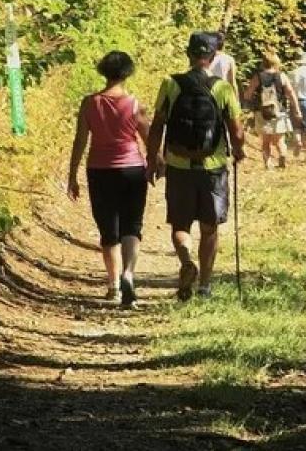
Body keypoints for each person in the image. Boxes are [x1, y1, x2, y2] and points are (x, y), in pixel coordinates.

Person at [146, 32, 246, 300]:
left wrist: (152, 159)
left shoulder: (170, 84)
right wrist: (239, 151)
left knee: (180, 225)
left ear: (188, 54)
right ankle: (204, 285)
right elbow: (236, 130)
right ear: (213, 57)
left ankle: (187, 260)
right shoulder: (222, 88)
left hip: (178, 165)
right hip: (212, 167)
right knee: (209, 227)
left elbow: (156, 126)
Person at [67, 51, 151, 308]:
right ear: (128, 72)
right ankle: (129, 274)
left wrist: (72, 174)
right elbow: (149, 138)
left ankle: (113, 284)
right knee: (132, 226)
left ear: (103, 71)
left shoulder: (90, 103)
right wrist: (157, 163)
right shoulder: (135, 104)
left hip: (99, 170)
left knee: (108, 229)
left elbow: (81, 140)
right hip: (132, 169)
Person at [243, 52, 302, 169]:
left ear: (263, 63)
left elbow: (247, 95)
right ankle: (282, 155)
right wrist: (297, 109)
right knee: (280, 140)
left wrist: (248, 100)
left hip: (262, 112)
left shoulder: (258, 77)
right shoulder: (281, 76)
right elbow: (291, 93)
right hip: (279, 111)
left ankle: (268, 164)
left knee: (265, 141)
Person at [209, 31, 239, 97]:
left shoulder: (205, 58)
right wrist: (236, 101)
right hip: (222, 94)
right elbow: (233, 82)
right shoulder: (229, 59)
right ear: (223, 44)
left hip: (207, 94)